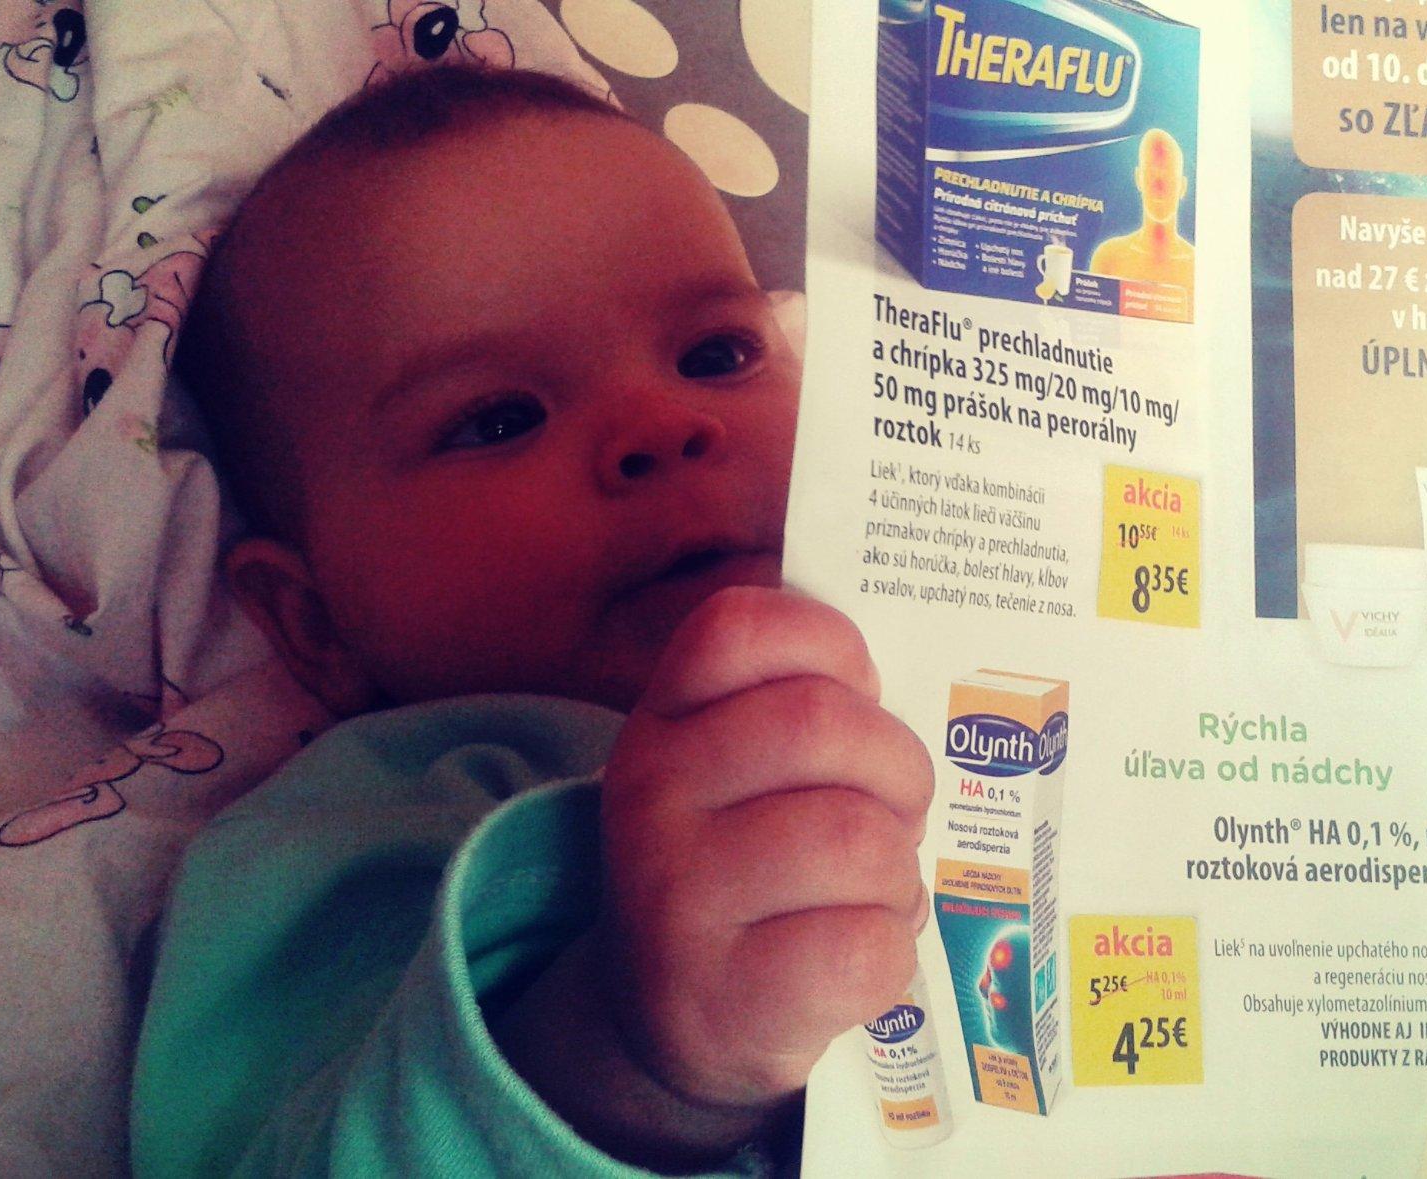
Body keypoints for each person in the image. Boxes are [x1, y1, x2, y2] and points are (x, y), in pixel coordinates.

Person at [131, 64, 933, 1176]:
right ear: (315, 625)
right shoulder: (351, 831)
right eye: (500, 418)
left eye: (716, 354)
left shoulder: (936, 633)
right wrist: (634, 1062)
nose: (662, 423)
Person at [1087, 128, 1195, 295]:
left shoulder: (1197, 266)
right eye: (1151, 173)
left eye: (1169, 175)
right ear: (1138, 178)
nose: (1159, 185)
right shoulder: (1108, 257)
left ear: (1182, 186)